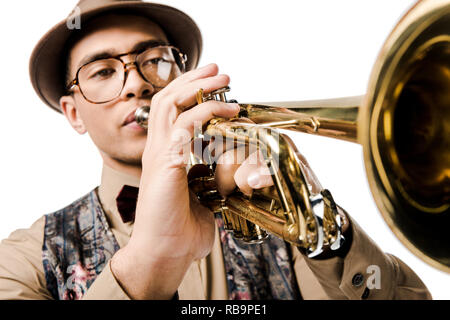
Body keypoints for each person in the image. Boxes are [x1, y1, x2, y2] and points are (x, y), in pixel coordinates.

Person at [0, 0, 431, 300]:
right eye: (103, 71)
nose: (137, 84)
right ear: (73, 113)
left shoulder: (274, 220)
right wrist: (149, 262)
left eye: (155, 60)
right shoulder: (22, 258)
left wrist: (319, 223)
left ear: (184, 84)